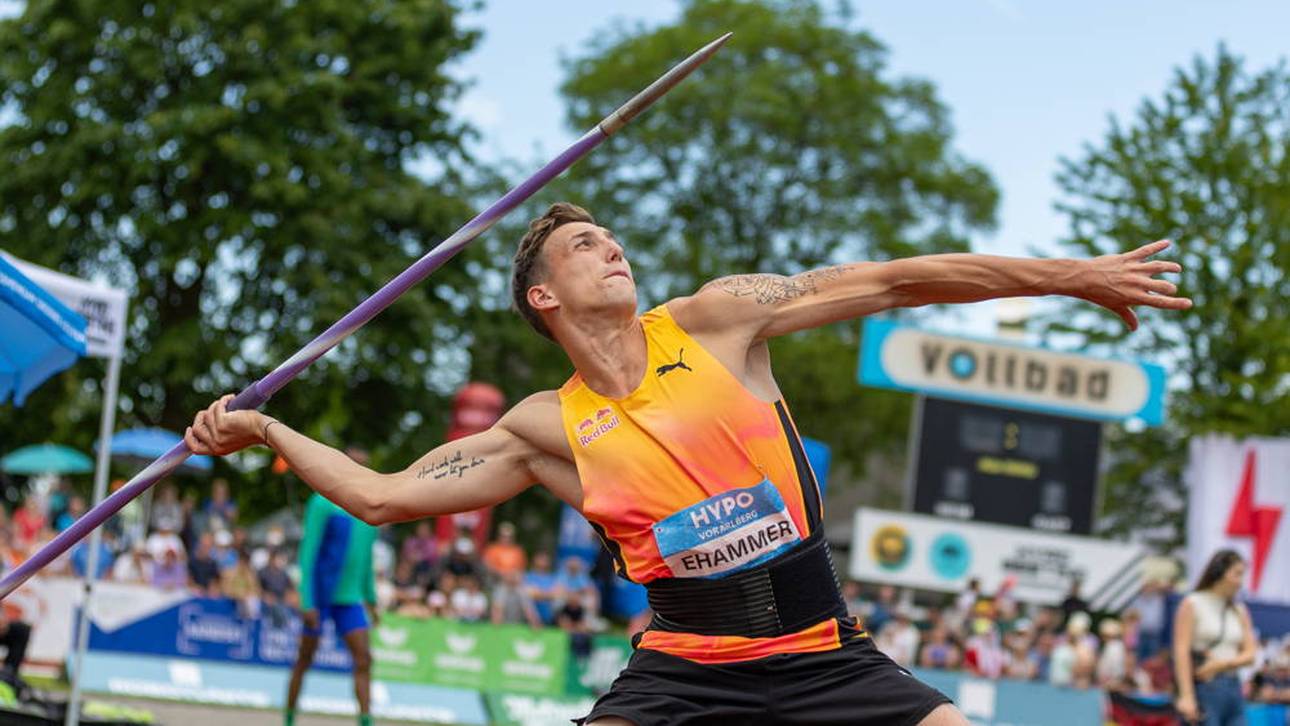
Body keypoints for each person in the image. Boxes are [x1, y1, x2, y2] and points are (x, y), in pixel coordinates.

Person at [186, 202, 1189, 725]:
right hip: (683, 675)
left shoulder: (718, 320)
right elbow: (379, 496)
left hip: (823, 655)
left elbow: (894, 279)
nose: (610, 248)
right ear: (544, 297)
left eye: (611, 237)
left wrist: (1069, 275)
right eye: (585, 245)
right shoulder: (546, 425)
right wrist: (264, 430)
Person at [286, 488, 379, 726]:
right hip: (320, 595)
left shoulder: (372, 512)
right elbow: (308, 550)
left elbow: (366, 561)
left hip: (349, 598)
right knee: (305, 658)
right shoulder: (322, 502)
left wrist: (371, 600)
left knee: (364, 659)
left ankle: (366, 720)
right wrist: (306, 599)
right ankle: (289, 717)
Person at [1173, 549, 1258, 725]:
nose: (1240, 582)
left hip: (1233, 687)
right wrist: (1186, 696)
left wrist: (1221, 664)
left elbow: (1251, 654)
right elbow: (1181, 651)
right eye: (1237, 574)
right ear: (1220, 572)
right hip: (1204, 688)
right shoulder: (1193, 603)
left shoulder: (1239, 610)